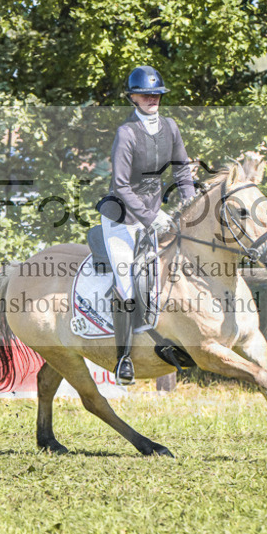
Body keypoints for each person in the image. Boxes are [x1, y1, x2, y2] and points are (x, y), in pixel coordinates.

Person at [96, 65, 196, 384]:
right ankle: (123, 359)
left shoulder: (170, 127)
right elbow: (121, 185)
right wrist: (151, 217)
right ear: (134, 98)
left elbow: (182, 170)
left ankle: (168, 344)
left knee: (168, 278)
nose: (151, 99)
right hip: (123, 219)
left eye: (155, 94)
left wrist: (191, 204)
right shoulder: (126, 133)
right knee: (127, 285)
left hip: (157, 216)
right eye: (145, 94)